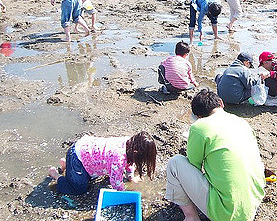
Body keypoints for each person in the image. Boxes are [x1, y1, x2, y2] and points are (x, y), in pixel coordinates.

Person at [165, 89, 265, 221]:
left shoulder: (199, 127)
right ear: (221, 103)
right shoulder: (242, 122)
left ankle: (191, 217)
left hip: (226, 213)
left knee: (175, 163)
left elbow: (193, 165)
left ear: (198, 116)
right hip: (252, 204)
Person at [48, 132, 156, 195]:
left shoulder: (130, 144)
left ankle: (67, 164)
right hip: (77, 156)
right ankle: (55, 175)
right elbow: (116, 183)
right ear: (136, 152)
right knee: (79, 189)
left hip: (85, 153)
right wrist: (125, 194)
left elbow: (130, 162)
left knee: (90, 178)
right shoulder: (118, 159)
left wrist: (130, 177)